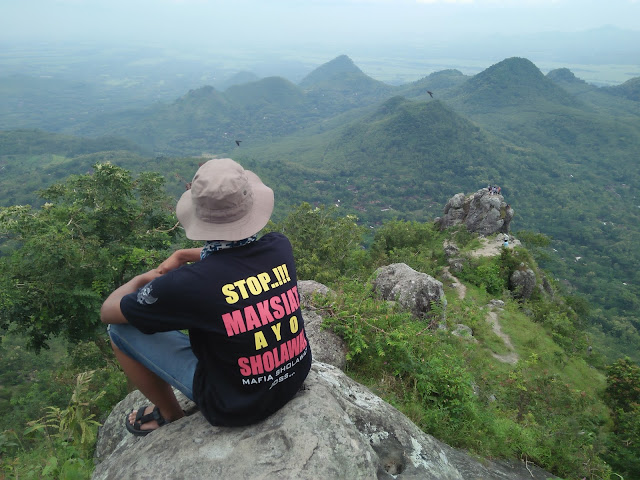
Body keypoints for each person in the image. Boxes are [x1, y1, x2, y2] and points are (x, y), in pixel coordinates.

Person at [100, 158, 312, 435]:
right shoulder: (279, 246)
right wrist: (184, 256)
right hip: (293, 375)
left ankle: (170, 414)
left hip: (236, 405)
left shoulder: (187, 284)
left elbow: (109, 311)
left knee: (118, 330)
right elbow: (236, 258)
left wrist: (145, 277)